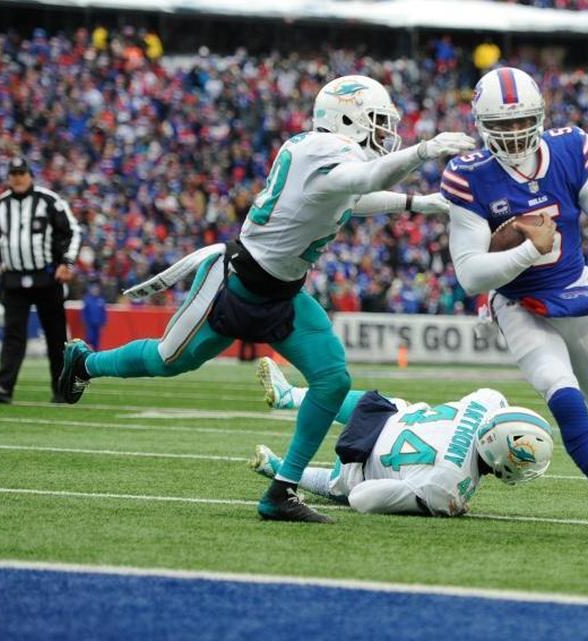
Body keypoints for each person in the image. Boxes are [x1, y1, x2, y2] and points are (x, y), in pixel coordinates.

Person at [57, 75, 474, 523]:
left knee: (332, 379)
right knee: (167, 360)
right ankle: (83, 363)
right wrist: (424, 151)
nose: (383, 132)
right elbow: (366, 178)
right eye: (375, 121)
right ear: (346, 118)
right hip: (234, 284)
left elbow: (354, 195)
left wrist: (415, 203)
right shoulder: (325, 151)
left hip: (282, 294)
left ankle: (281, 491)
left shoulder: (323, 154)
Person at [440, 67, 588, 547]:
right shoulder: (469, 176)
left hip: (574, 294)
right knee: (566, 399)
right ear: (481, 124)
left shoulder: (570, 150)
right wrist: (528, 250)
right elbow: (469, 274)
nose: (513, 133)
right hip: (519, 304)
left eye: (521, 121)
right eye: (502, 124)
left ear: (540, 116)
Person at [251, 361, 552, 516]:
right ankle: (279, 468)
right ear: (499, 455)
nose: (524, 467)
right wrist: (449, 507)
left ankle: (291, 395)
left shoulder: (488, 400)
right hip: (358, 462)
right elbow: (362, 499)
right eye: (521, 460)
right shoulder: (444, 488)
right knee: (348, 484)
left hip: (378, 414)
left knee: (396, 404)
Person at [0, 157, 81, 404]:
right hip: (13, 280)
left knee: (55, 337)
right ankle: (3, 388)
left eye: (22, 173)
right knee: (13, 336)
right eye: (13, 174)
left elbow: (73, 231)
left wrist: (67, 263)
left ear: (30, 175)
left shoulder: (49, 200)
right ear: (8, 177)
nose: (18, 178)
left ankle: (61, 389)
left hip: (47, 278)